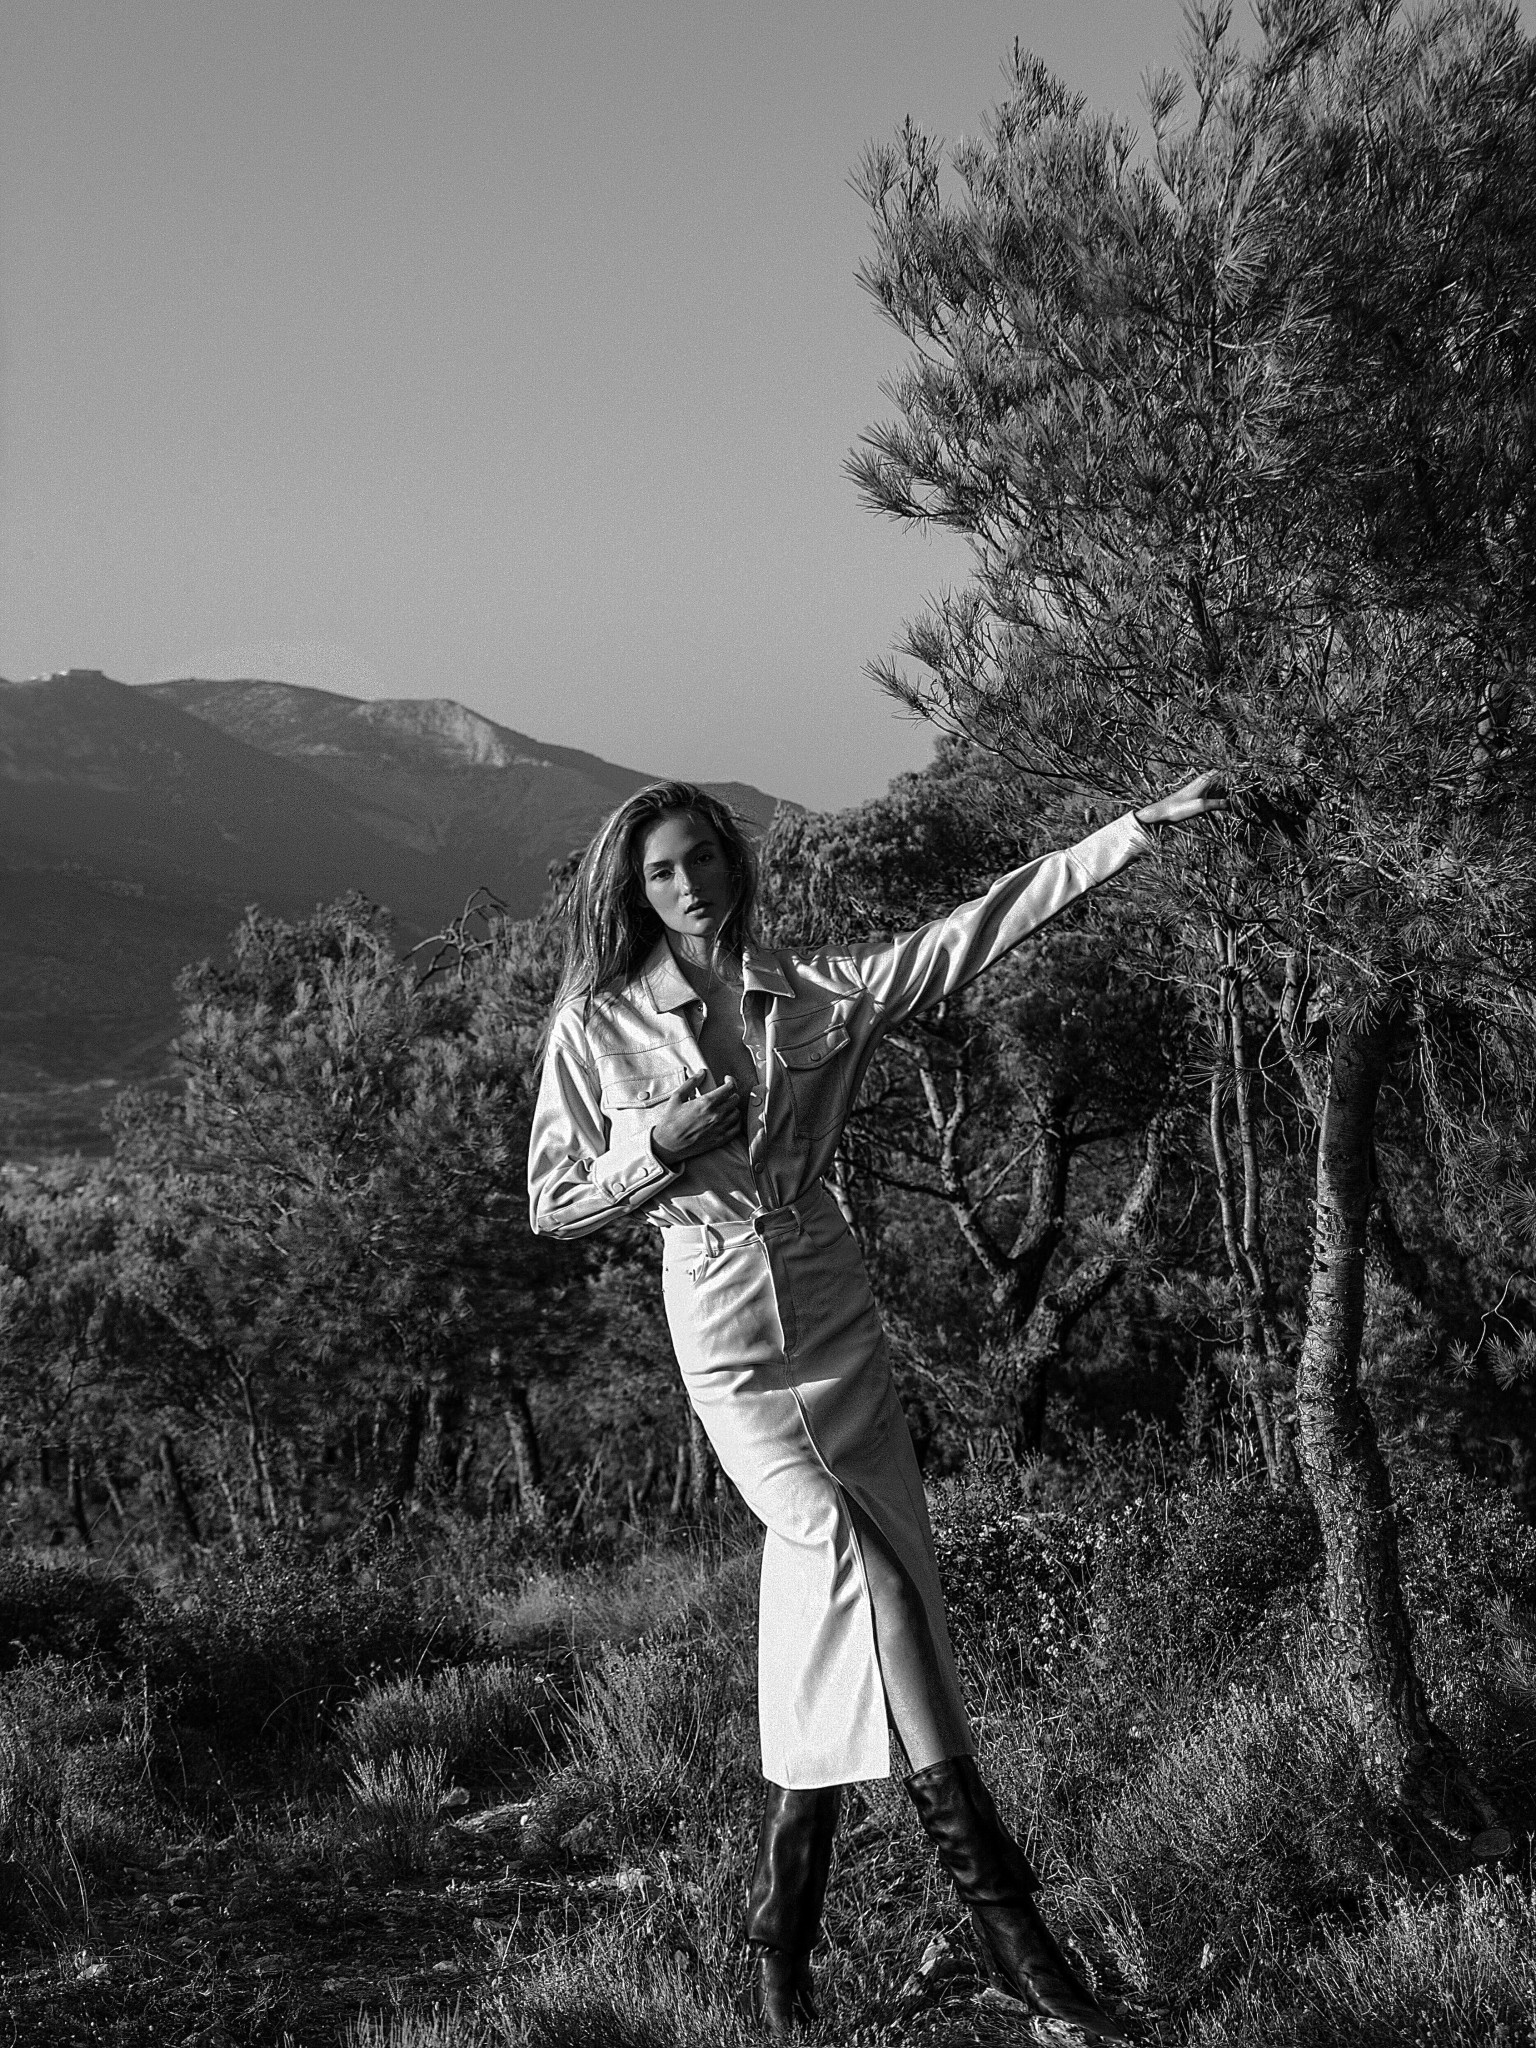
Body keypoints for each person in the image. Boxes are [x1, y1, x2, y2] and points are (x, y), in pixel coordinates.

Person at [527, 771, 1223, 2042]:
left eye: (701, 858)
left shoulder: (819, 989)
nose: (688, 885)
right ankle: (1020, 1942)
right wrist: (659, 1146)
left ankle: (781, 1942)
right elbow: (552, 1201)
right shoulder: (598, 1023)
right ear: (634, 890)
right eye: (661, 871)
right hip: (725, 1324)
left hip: (834, 1304)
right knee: (864, 1569)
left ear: (732, 861)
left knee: (846, 1605)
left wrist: (1139, 830)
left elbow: (978, 925)